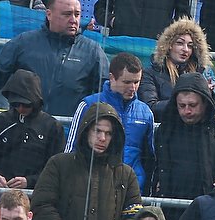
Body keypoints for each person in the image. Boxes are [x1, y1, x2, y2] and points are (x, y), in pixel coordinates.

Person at [0, 0, 108, 118]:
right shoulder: (24, 42)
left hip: (68, 132)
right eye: (67, 14)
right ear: (49, 14)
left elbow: (105, 90)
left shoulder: (92, 51)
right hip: (25, 129)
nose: (73, 20)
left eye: (77, 14)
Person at [31, 103, 143, 220]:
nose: (102, 138)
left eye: (109, 133)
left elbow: (134, 216)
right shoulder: (59, 164)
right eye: (97, 131)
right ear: (86, 130)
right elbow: (42, 205)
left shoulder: (126, 174)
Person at [151, 73, 215, 206]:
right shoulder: (166, 130)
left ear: (205, 102)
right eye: (182, 106)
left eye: (192, 105)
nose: (187, 111)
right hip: (174, 207)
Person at [66, 52, 155, 191]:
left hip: (131, 189)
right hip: (92, 187)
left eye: (136, 82)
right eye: (127, 82)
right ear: (112, 78)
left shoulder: (145, 112)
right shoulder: (89, 105)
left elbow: (150, 158)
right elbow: (71, 150)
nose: (133, 88)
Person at [0, 70, 62, 189]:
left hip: (35, 193)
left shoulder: (52, 127)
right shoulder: (0, 122)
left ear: (36, 101)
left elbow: (56, 170)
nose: (21, 108)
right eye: (16, 104)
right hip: (0, 190)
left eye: (26, 104)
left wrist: (29, 181)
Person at [140, 17, 215, 118]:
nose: (185, 49)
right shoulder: (150, 73)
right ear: (169, 45)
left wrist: (207, 96)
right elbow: (150, 107)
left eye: (190, 45)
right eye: (180, 43)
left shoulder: (202, 73)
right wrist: (186, 99)